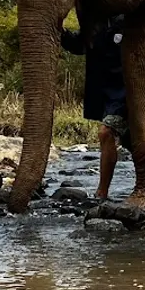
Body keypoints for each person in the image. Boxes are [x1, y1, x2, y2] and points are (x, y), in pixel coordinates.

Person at [60, 16, 131, 200]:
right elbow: (80, 45)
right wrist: (61, 32)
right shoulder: (95, 20)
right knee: (131, 141)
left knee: (106, 132)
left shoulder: (127, 18)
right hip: (104, 90)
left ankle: (102, 192)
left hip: (129, 89)